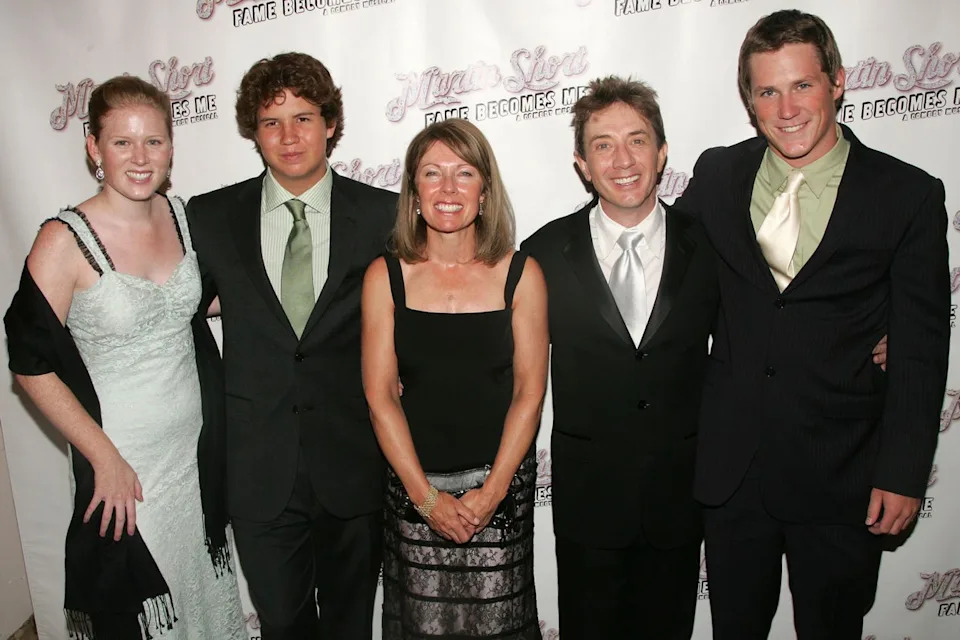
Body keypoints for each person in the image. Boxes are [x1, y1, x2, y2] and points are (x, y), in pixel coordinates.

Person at [673, 10, 949, 639]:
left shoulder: (906, 195)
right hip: (732, 471)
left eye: (802, 85)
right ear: (749, 100)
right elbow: (666, 273)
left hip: (841, 471)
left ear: (838, 82)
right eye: (767, 90)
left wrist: (903, 473)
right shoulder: (718, 175)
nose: (786, 107)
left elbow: (921, 349)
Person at [3, 76, 245, 639]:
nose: (140, 158)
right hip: (125, 467)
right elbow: (30, 363)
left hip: (196, 458)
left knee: (203, 602)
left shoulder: (183, 217)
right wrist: (102, 457)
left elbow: (204, 301)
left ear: (171, 147)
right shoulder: (63, 240)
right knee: (144, 612)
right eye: (122, 142)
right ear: (93, 146)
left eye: (154, 142)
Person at [185, 52, 397, 639]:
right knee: (282, 624)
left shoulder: (383, 214)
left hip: (354, 464)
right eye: (272, 122)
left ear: (331, 123)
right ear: (253, 132)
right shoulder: (209, 217)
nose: (289, 136)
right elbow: (178, 319)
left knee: (351, 624)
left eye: (304, 118)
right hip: (257, 470)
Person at [521, 76, 719, 639]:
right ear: (582, 163)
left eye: (637, 139)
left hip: (679, 498)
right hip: (589, 501)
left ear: (661, 152)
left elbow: (756, 339)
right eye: (603, 144)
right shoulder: (542, 254)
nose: (623, 159)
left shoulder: (709, 247)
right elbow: (503, 361)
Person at [362, 118, 548, 640]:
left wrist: (490, 495)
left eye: (464, 174)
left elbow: (530, 394)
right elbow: (380, 397)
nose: (448, 189)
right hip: (414, 493)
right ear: (414, 191)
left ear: (484, 191)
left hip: (500, 493)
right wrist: (426, 500)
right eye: (432, 173)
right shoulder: (386, 276)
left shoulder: (521, 274)